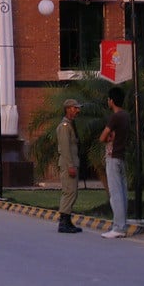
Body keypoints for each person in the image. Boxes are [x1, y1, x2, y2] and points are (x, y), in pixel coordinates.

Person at [99, 86, 130, 239]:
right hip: (122, 156)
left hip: (112, 156)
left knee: (115, 193)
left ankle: (118, 227)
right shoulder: (126, 116)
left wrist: (108, 137)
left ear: (111, 100)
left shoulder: (115, 117)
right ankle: (122, 224)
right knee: (122, 192)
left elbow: (102, 137)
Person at [56, 99, 83, 233]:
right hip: (68, 164)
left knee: (73, 192)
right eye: (75, 108)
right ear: (68, 109)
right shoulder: (64, 126)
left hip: (72, 163)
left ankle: (68, 220)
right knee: (69, 192)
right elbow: (66, 149)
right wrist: (70, 166)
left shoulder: (70, 125)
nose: (78, 110)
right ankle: (63, 222)